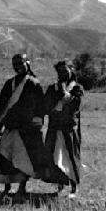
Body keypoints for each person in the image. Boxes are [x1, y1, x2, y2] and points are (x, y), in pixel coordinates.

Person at [0, 54, 51, 198]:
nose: (18, 66)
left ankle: (21, 187)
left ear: (28, 63)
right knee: (6, 156)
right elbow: (2, 104)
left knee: (23, 159)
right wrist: (0, 122)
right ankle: (6, 187)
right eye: (15, 63)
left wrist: (37, 123)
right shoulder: (9, 84)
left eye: (21, 63)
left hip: (27, 128)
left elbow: (40, 106)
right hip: (11, 126)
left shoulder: (34, 84)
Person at [44, 60, 83, 198]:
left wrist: (62, 95)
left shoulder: (77, 88)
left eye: (65, 70)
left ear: (71, 70)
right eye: (59, 71)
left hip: (68, 128)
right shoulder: (52, 88)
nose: (62, 73)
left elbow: (74, 107)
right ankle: (60, 184)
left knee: (71, 156)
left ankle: (74, 188)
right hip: (55, 127)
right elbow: (46, 105)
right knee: (55, 156)